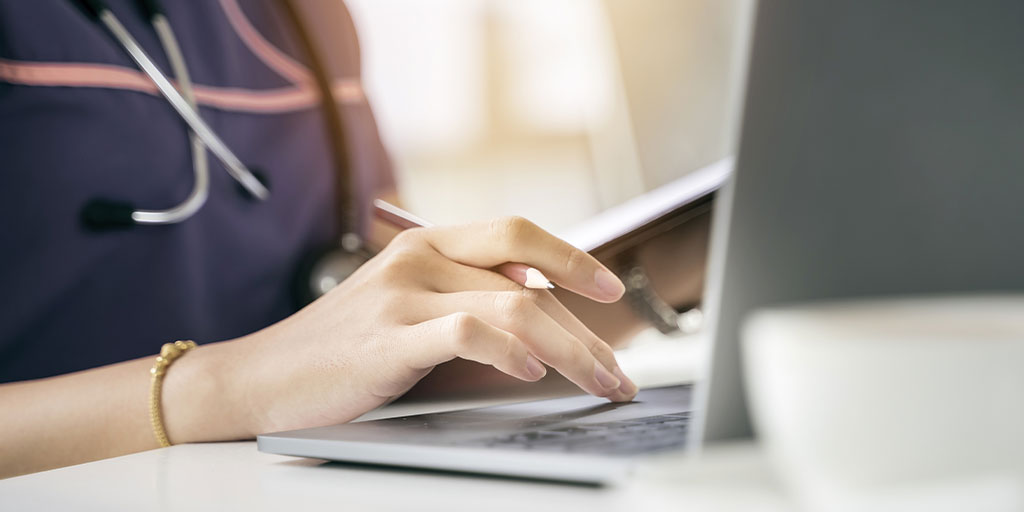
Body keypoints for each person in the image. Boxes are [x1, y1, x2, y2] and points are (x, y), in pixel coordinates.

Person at [0, 0, 707, 478]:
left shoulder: (308, 19)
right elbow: (279, 379)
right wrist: (230, 386)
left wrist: (685, 257)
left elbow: (383, 344)